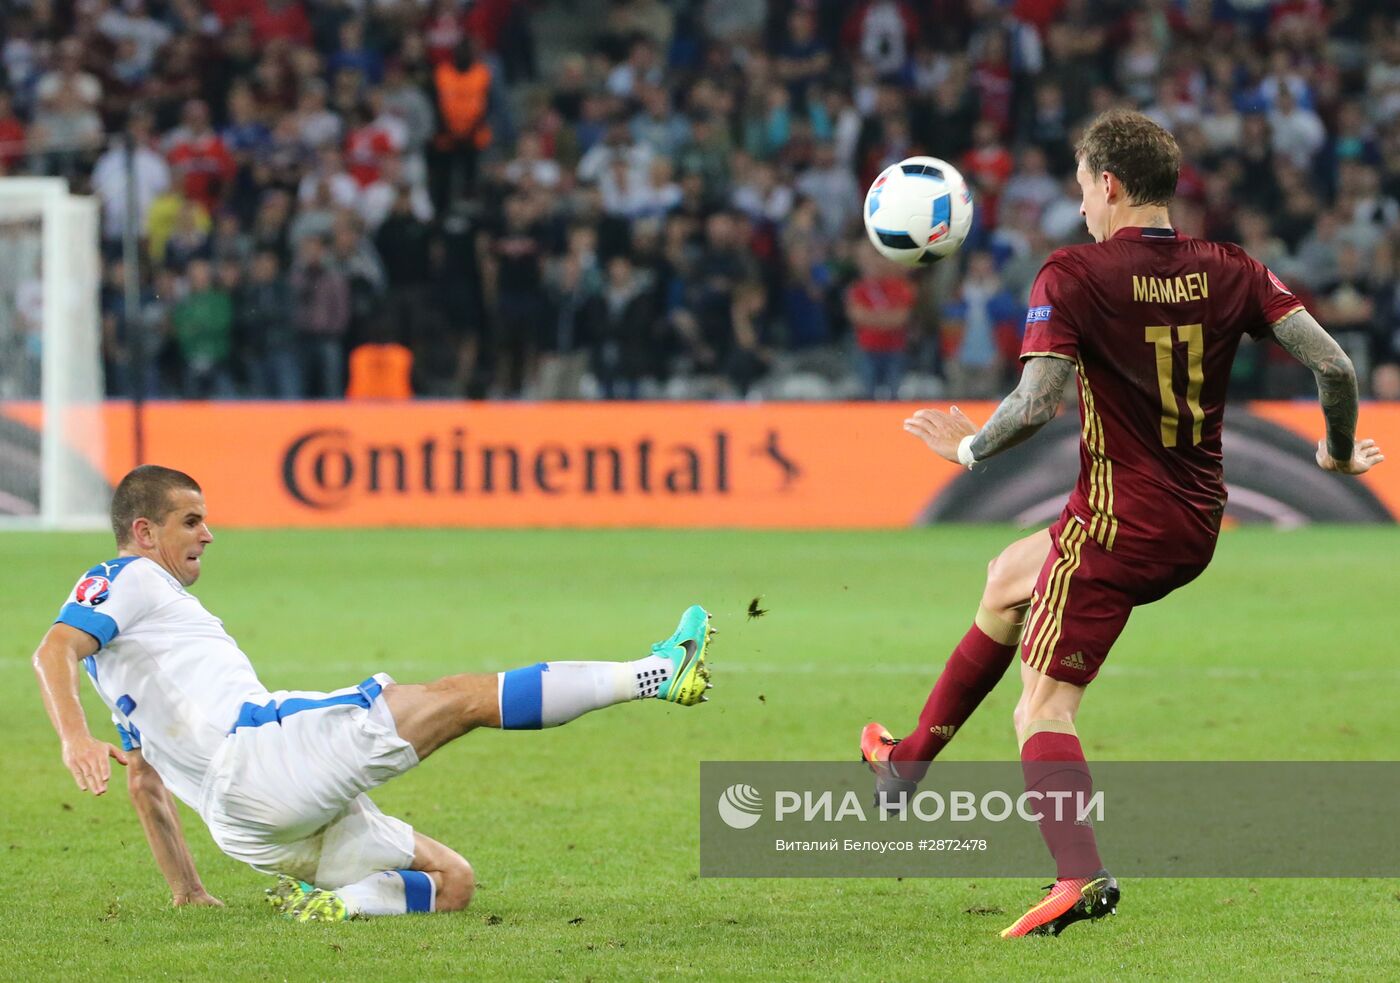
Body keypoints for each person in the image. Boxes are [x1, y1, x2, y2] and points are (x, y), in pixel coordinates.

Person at [859, 110, 1385, 939]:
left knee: (1042, 709)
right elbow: (1335, 361)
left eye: (1080, 187)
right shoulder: (1232, 267)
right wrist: (1342, 449)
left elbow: (1037, 403)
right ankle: (905, 766)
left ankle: (1079, 873)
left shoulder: (1075, 273)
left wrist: (968, 449)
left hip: (1116, 524)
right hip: (1194, 517)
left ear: (1108, 183)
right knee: (1005, 579)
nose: (1077, 207)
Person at [33, 466, 714, 921]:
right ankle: (657, 672)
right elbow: (52, 646)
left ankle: (341, 904)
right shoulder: (124, 577)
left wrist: (188, 892)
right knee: (460, 698)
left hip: (246, 830)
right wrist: (72, 738)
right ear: (145, 531)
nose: (207, 533)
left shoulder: (125, 665)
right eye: (190, 520)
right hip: (263, 757)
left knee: (454, 882)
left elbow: (145, 783)